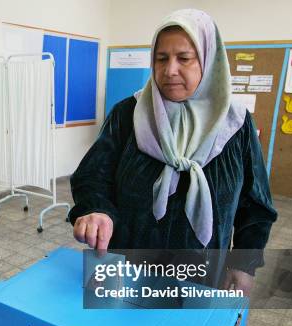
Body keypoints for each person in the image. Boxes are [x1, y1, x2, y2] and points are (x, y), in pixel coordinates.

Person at [70, 9, 277, 295]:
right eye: (161, 58)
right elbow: (92, 176)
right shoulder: (128, 114)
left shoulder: (235, 124)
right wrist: (96, 210)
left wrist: (244, 265)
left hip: (201, 276)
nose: (170, 70)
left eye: (184, 58)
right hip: (128, 270)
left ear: (208, 60)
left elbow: (256, 205)